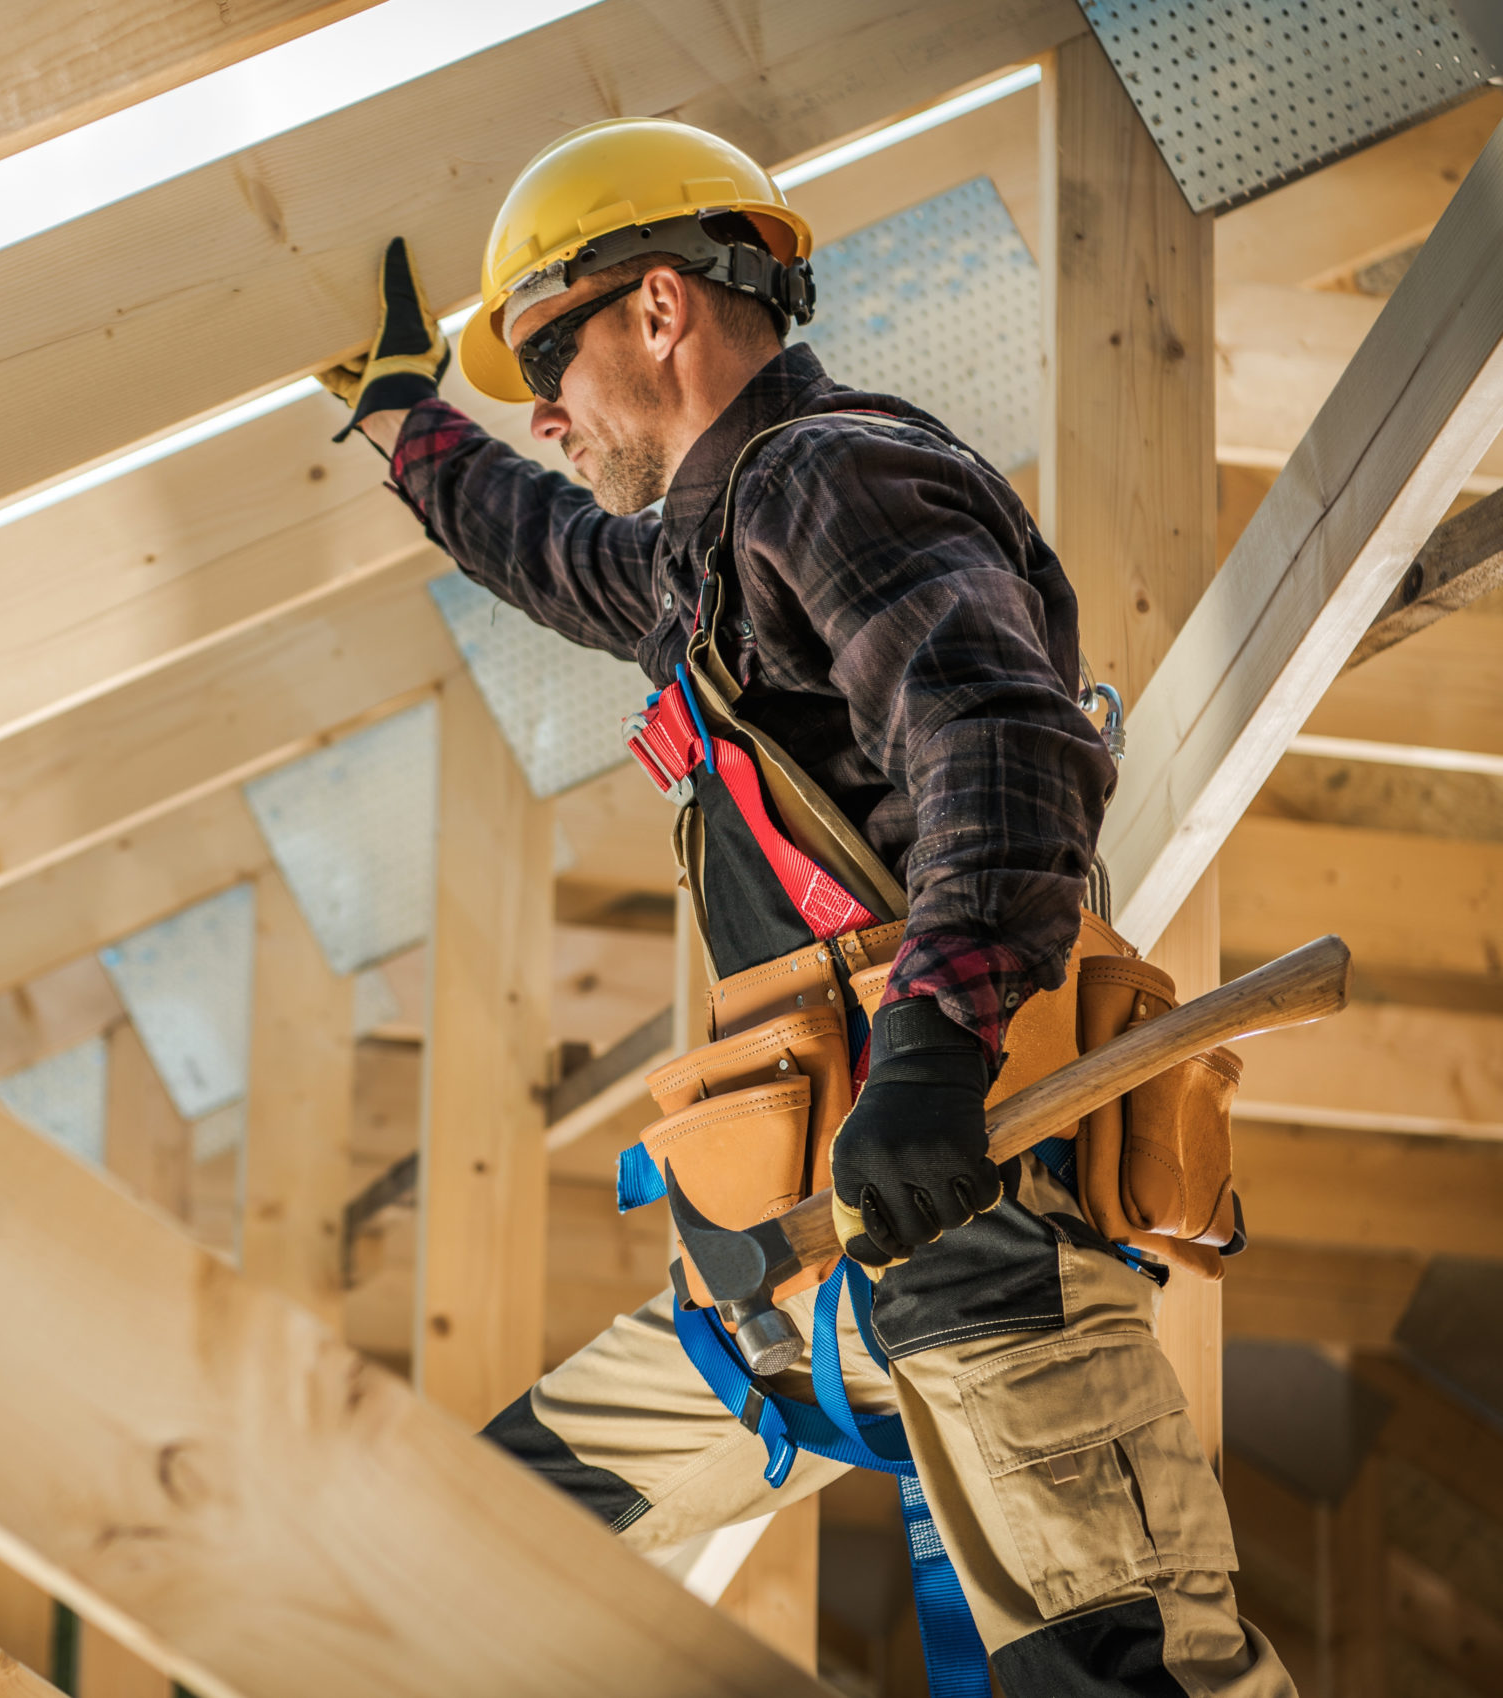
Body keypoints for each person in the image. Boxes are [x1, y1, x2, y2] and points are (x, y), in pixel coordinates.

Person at [321, 117, 1289, 1698]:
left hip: (977, 1239)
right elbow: (553, 552)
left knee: (1129, 1680)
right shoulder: (702, 556)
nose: (547, 410)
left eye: (547, 355)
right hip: (797, 1281)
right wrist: (400, 422)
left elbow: (1001, 741)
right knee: (457, 1540)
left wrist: (929, 1056)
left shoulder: (834, 477)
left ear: (658, 308)